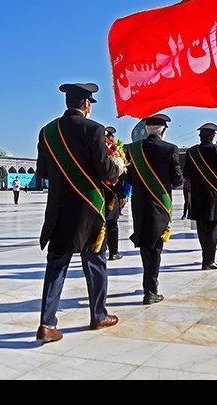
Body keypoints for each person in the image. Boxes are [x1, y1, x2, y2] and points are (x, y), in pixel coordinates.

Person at [35, 82, 125, 343]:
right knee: (95, 263)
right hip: (89, 208)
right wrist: (118, 168)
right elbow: (105, 171)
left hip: (59, 209)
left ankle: (46, 324)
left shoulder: (47, 131)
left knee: (56, 266)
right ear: (86, 104)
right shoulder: (94, 129)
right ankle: (98, 315)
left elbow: (42, 172)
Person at [126, 114, 183, 305]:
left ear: (146, 129)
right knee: (156, 247)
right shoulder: (170, 149)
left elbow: (128, 178)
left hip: (139, 205)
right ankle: (150, 291)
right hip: (159, 204)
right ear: (163, 130)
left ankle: (149, 287)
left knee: (145, 246)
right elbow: (177, 180)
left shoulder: (133, 149)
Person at [183, 123, 217, 270]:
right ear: (213, 137)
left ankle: (205, 259)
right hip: (213, 195)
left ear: (200, 136)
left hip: (197, 196)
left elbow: (186, 173)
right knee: (213, 229)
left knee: (202, 230)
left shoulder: (191, 152)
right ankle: (209, 261)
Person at [103, 126, 126, 260]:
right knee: (112, 223)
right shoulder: (114, 152)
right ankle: (113, 251)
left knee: (101, 223)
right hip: (112, 193)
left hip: (100, 192)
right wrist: (122, 195)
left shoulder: (97, 149)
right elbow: (119, 178)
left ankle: (101, 249)